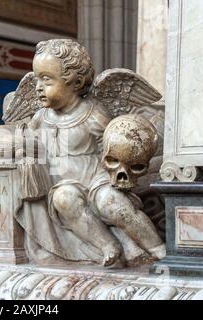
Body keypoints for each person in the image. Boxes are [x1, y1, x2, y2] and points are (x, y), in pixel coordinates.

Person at [17, 39, 165, 266]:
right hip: (64, 183)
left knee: (112, 203)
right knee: (63, 199)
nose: (37, 86)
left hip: (97, 179)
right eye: (36, 78)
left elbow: (117, 148)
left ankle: (158, 247)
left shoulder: (93, 114)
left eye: (46, 80)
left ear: (74, 82)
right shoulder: (40, 119)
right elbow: (29, 145)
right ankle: (107, 245)